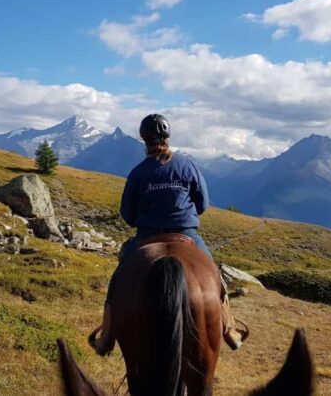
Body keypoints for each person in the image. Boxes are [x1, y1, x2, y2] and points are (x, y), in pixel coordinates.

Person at [91, 113, 248, 355]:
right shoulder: (187, 165)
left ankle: (107, 336)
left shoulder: (138, 173)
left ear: (144, 140)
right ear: (167, 137)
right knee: (214, 275)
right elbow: (203, 203)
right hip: (186, 233)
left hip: (147, 235)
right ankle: (229, 329)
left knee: (120, 277)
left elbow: (128, 214)